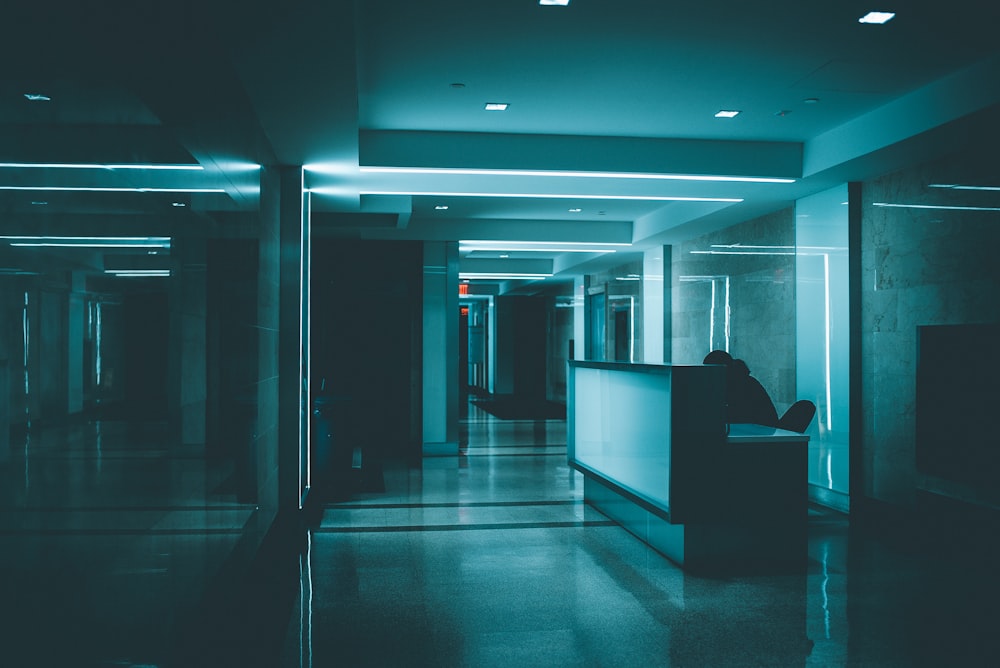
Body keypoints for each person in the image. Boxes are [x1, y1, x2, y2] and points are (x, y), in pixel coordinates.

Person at [702, 350, 779, 427]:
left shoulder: (741, 385)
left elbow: (736, 416)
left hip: (758, 432)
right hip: (760, 431)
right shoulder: (743, 381)